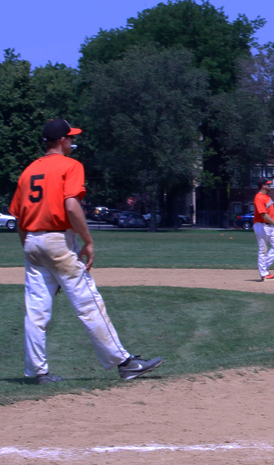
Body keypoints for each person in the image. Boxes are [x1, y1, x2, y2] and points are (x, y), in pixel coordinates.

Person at [9, 119, 163, 385]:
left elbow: (21, 218)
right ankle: (125, 364)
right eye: (70, 137)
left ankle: (38, 372)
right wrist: (87, 240)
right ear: (60, 140)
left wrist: (30, 246)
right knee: (88, 303)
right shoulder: (71, 166)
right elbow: (71, 206)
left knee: (36, 311)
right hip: (58, 240)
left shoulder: (28, 171)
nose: (72, 141)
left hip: (32, 241)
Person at [253, 178, 274, 280]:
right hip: (261, 225)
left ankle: (264, 267)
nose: (269, 186)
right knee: (263, 250)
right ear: (263, 186)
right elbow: (263, 214)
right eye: (268, 184)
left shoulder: (266, 197)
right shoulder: (259, 197)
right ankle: (264, 273)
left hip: (269, 226)